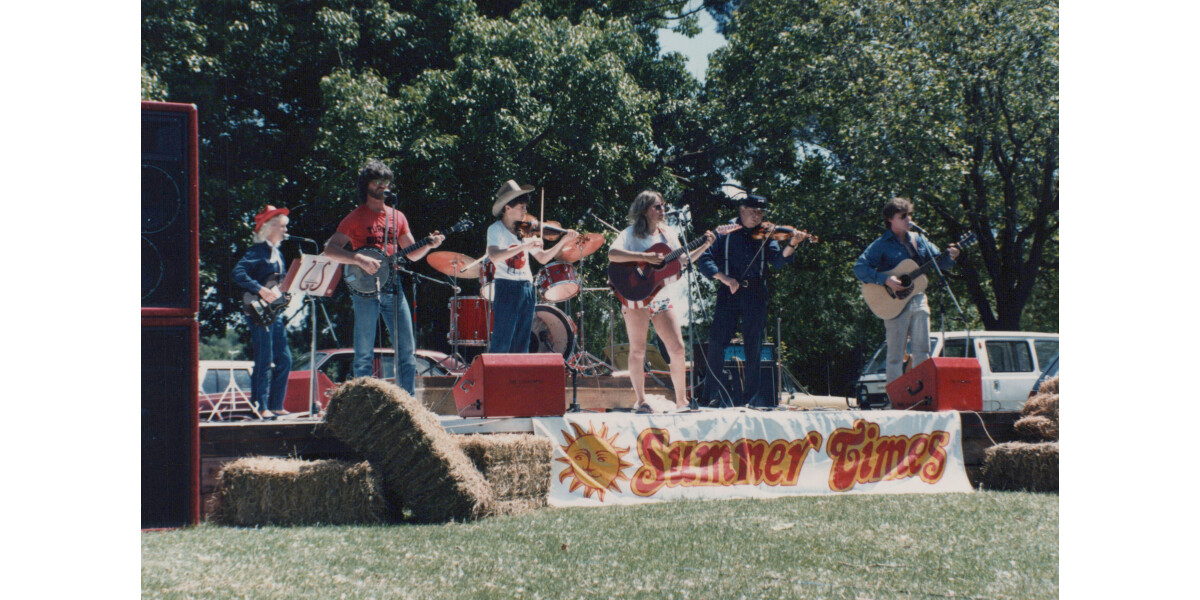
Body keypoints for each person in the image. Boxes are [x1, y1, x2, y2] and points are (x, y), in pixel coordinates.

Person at [322, 160, 443, 395]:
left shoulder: (397, 216)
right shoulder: (355, 217)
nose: (383, 186)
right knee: (364, 353)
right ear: (366, 185)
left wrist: (429, 245)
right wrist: (358, 259)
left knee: (406, 351)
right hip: (364, 288)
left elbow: (413, 254)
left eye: (386, 182)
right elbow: (330, 250)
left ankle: (407, 403)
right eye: (377, 182)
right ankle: (362, 403)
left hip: (393, 284)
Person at [697, 193, 808, 408]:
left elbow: (777, 262)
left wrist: (793, 243)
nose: (758, 216)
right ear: (742, 210)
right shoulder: (726, 231)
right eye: (753, 211)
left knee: (754, 344)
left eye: (761, 212)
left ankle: (751, 399)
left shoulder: (767, 233)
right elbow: (705, 258)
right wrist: (724, 278)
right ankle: (710, 394)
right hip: (728, 290)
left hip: (755, 291)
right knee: (717, 341)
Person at [609, 190, 715, 412]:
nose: (663, 210)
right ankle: (641, 401)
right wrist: (645, 257)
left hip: (662, 298)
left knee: (677, 348)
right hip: (635, 298)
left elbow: (682, 261)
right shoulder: (630, 234)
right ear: (645, 210)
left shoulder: (667, 234)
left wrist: (704, 246)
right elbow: (613, 254)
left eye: (663, 206)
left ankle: (681, 401)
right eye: (658, 206)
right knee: (638, 350)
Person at [853, 197, 960, 386]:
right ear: (890, 220)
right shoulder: (881, 244)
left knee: (923, 350)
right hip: (893, 303)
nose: (908, 219)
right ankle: (895, 397)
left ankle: (922, 393)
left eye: (909, 215)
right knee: (895, 354)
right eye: (903, 216)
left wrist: (951, 256)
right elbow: (859, 268)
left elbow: (940, 262)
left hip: (918, 297)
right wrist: (886, 279)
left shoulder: (919, 240)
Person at [485, 180, 578, 353]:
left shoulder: (523, 231)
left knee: (523, 340)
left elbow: (543, 258)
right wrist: (524, 247)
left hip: (527, 287)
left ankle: (517, 379)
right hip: (506, 286)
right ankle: (497, 378)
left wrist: (564, 240)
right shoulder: (495, 229)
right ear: (507, 208)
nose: (525, 212)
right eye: (522, 207)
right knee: (502, 339)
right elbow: (494, 256)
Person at [232, 205, 293, 419]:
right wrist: (261, 289)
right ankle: (260, 405)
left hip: (274, 314)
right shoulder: (257, 251)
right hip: (259, 312)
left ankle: (276, 405)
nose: (286, 231)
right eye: (283, 227)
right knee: (264, 359)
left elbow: (280, 282)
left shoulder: (278, 254)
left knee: (285, 359)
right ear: (269, 228)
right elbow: (237, 273)